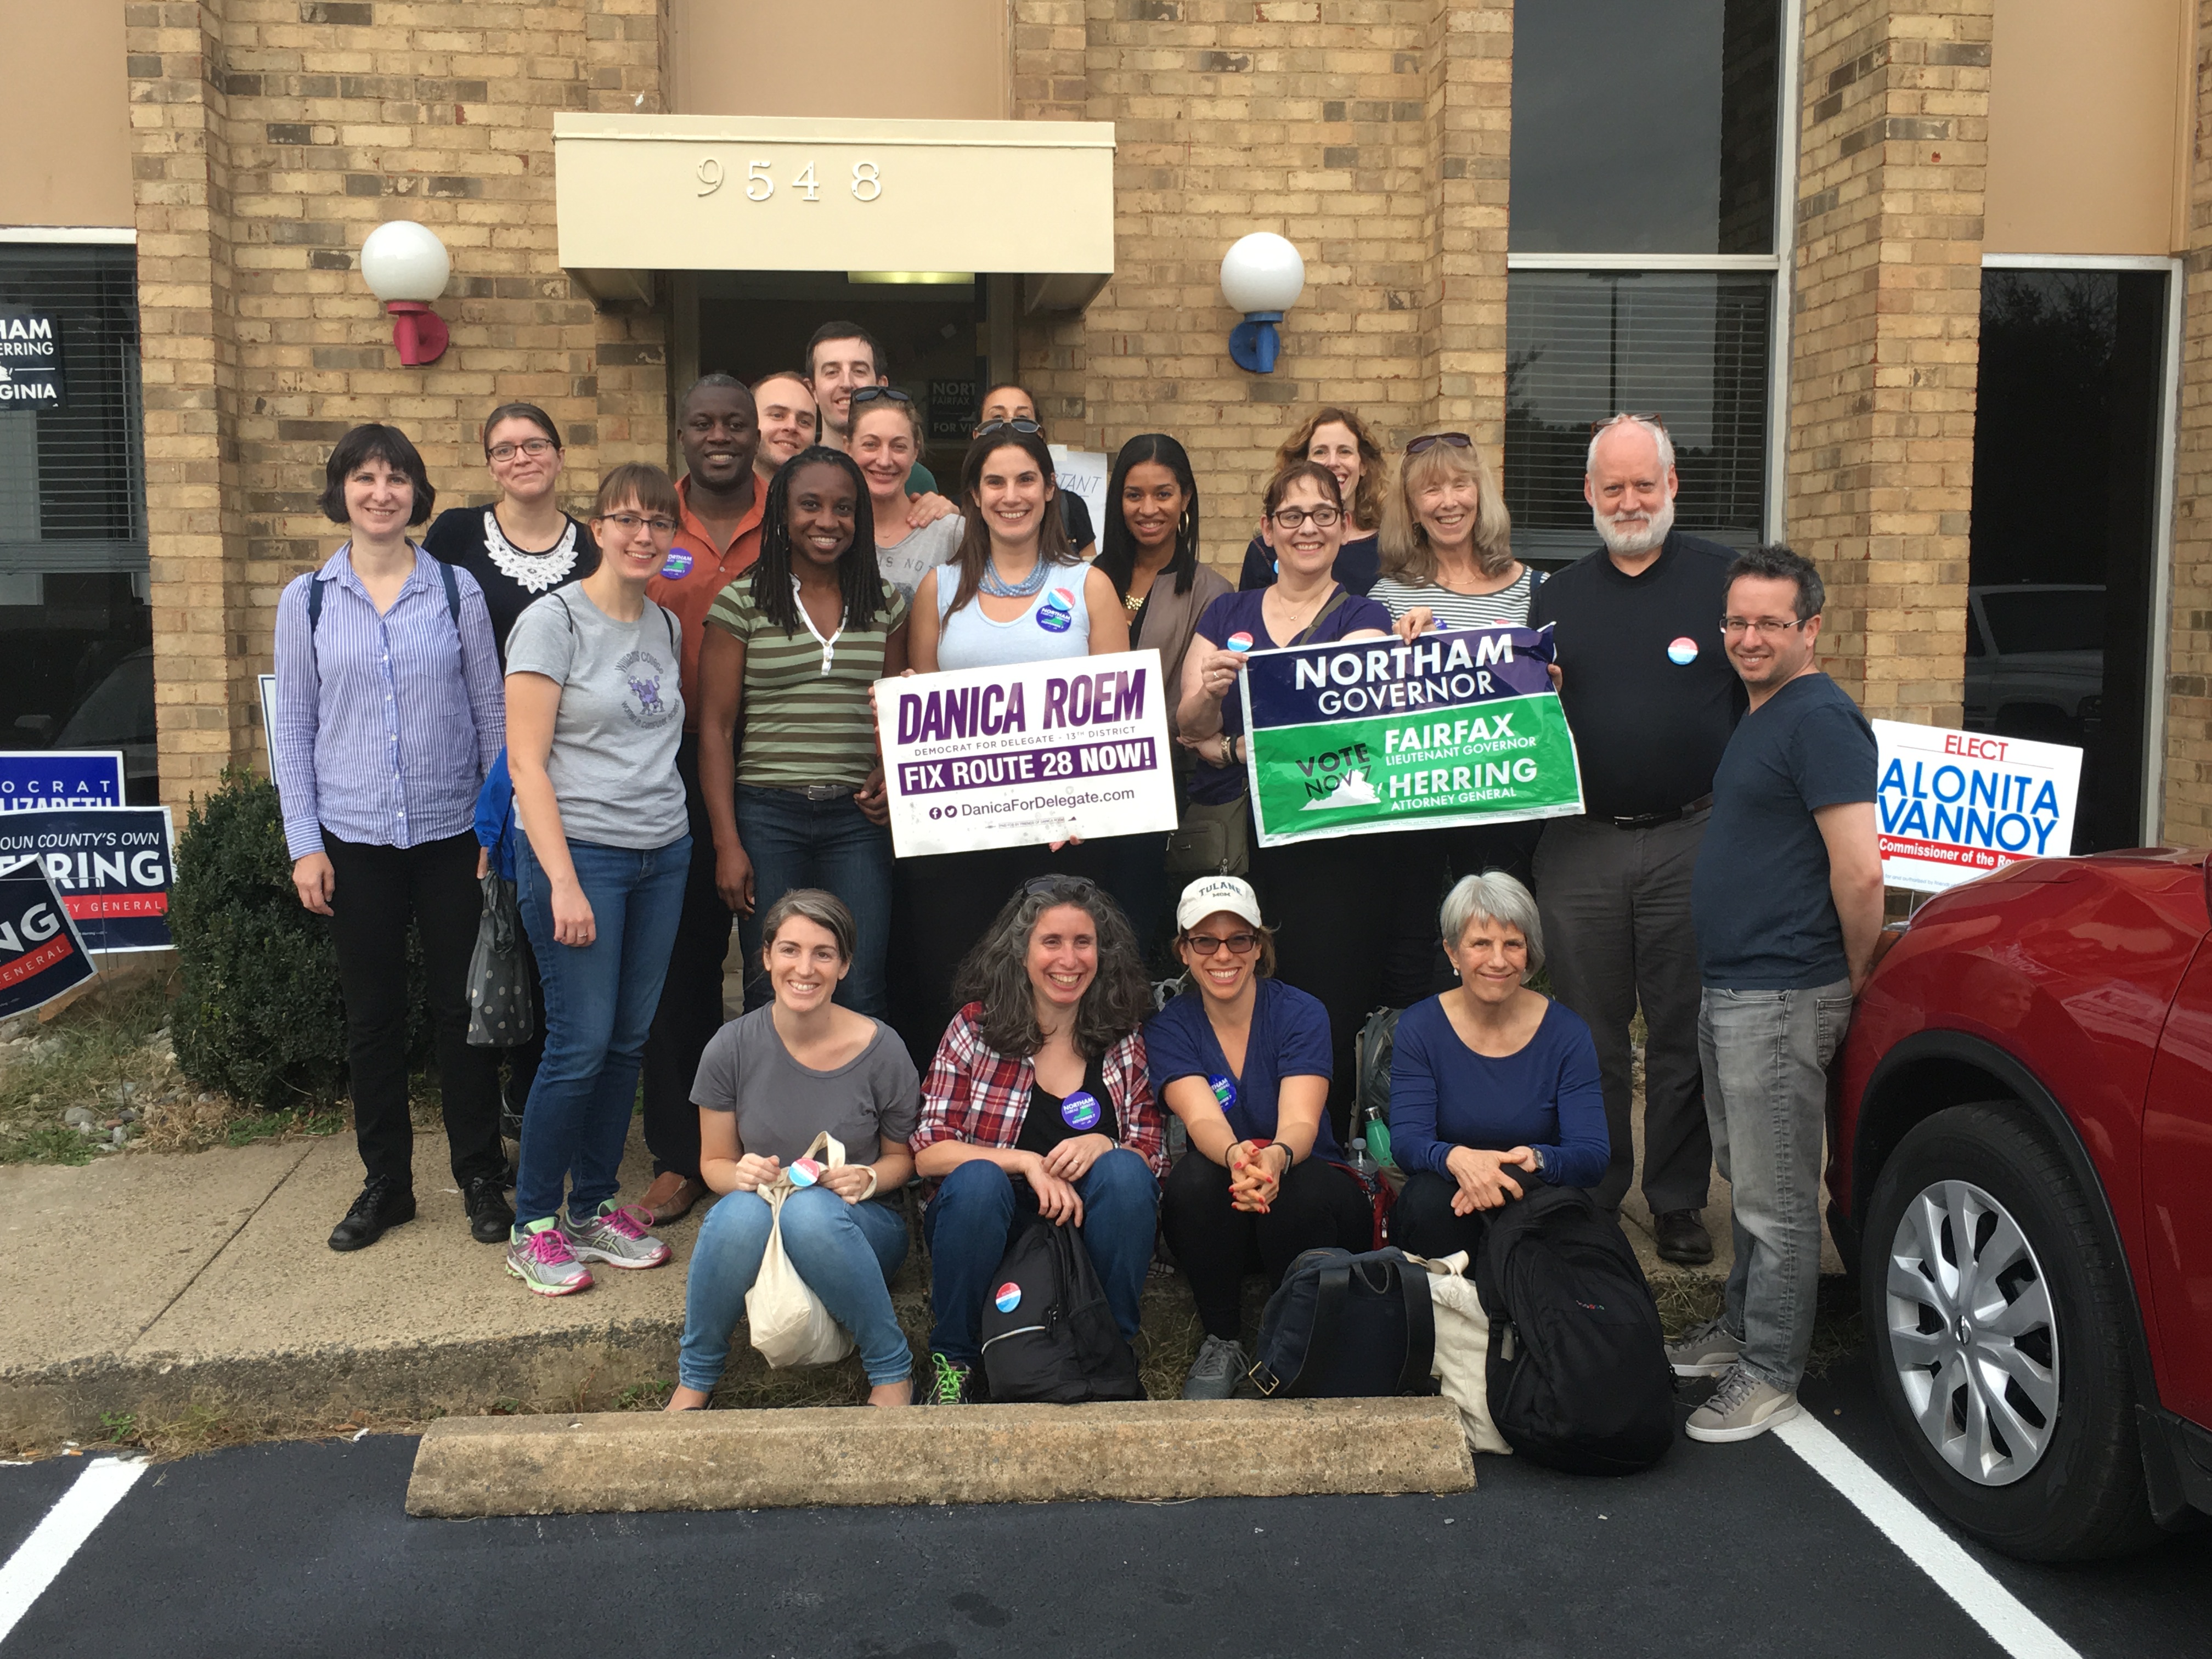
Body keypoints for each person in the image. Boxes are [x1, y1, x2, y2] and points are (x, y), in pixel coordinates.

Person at [273, 423, 508, 1251]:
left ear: (418, 493)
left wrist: (495, 827)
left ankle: (481, 1172)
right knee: (373, 1019)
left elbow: (493, 717)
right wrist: (306, 843)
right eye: (365, 478)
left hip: (452, 836)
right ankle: (388, 1184)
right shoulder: (306, 600)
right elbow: (292, 728)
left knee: (461, 1012)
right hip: (355, 840)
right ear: (340, 492)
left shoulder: (455, 593)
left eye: (397, 478)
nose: (381, 492)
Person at [1673, 545, 1881, 1444]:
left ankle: (1769, 1372)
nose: (1749, 637)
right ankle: (1738, 1329)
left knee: (1778, 1197)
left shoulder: (1821, 719)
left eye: (1769, 622)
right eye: (1738, 620)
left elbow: (1861, 870)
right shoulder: (1763, 711)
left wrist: (1852, 975)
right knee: (1744, 1177)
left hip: (1783, 990)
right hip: (1734, 986)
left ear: (1810, 628)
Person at [1528, 414, 1747, 1265]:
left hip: (1693, 835)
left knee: (1682, 1027)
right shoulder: (1556, 596)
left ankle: (1678, 1199)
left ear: (1672, 486)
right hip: (1580, 840)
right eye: (1611, 487)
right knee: (1589, 1032)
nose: (1629, 501)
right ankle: (1595, 1186)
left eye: (1643, 485)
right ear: (1588, 494)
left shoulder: (1725, 582)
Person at [500, 463, 692, 1296]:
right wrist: (564, 882)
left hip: (663, 852)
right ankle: (534, 1223)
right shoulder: (554, 623)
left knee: (626, 1041)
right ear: (598, 528)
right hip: (583, 855)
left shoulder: (665, 626)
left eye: (659, 522)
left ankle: (593, 1205)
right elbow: (525, 763)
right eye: (627, 519)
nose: (643, 535)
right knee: (578, 1044)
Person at [1177, 461, 1401, 1137]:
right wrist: (1211, 694)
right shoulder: (1227, 611)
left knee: (1323, 999)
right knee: (1229, 989)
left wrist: (1238, 747)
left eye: (1323, 515)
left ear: (1344, 527)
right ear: (1267, 530)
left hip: (1326, 847)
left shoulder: (1366, 615)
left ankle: (1318, 1152)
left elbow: (1342, 729)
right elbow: (1190, 730)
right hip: (1235, 846)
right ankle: (1230, 1146)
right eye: (1292, 516)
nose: (1308, 528)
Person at [892, 430, 1132, 1058]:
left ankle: (1056, 1123)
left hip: (1064, 833)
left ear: (1050, 489)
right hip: (958, 835)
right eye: (995, 482)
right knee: (956, 974)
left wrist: (1093, 807)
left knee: (1062, 982)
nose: (1012, 496)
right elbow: (924, 710)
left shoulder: (1089, 586)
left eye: (1026, 480)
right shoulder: (938, 590)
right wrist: (896, 709)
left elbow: (1119, 712)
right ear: (974, 496)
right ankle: (956, 1122)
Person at [911, 877, 1167, 1406]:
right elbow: (929, 1149)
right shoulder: (976, 1028)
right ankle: (953, 1362)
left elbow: (1153, 1155)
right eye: (1051, 942)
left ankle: (1106, 1351)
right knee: (978, 1180)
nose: (1068, 960)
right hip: (989, 1224)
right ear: (1021, 950)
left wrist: (1108, 1146)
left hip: (1080, 1228)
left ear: (1103, 952)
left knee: (1125, 1175)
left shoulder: (1122, 1035)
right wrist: (1024, 1161)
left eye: (1083, 942)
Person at [668, 890, 919, 1411]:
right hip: (764, 1217)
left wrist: (868, 1178)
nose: (805, 968)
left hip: (859, 1225)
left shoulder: (884, 1048)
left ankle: (892, 1370)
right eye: (789, 950)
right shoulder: (729, 1046)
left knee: (808, 1212)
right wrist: (739, 1173)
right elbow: (712, 1164)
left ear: (845, 965)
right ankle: (695, 1379)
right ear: (766, 956)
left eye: (823, 953)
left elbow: (905, 1159)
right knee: (736, 1212)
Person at [696, 446, 907, 1018]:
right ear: (783, 515)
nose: (827, 521)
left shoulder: (885, 603)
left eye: (843, 508)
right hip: (767, 816)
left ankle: (861, 1111)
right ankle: (774, 1111)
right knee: (772, 987)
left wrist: (888, 771)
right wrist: (727, 844)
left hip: (856, 821)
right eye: (810, 505)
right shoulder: (742, 601)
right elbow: (715, 729)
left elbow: (898, 714)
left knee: (861, 982)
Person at [1148, 875, 1371, 1398]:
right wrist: (1237, 1158)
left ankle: (1294, 1341)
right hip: (1226, 1212)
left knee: (1301, 1184)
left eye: (1238, 939)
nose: (1222, 954)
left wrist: (1273, 1158)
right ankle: (1222, 1340)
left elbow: (1301, 1123)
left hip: (1309, 1206)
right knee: (1195, 1181)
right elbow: (1201, 1119)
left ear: (1259, 946)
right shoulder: (1169, 1026)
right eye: (1205, 940)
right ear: (1184, 949)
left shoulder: (1301, 1011)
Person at [635, 375, 765, 1227]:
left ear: (756, 434)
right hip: (667, 759)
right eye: (702, 423)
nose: (719, 435)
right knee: (678, 967)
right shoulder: (650, 521)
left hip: (776, 755)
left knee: (775, 960)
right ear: (681, 434)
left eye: (734, 423)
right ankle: (682, 1156)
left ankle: (767, 1144)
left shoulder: (789, 510)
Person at [1387, 872, 1608, 1261]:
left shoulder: (1568, 1033)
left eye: (1513, 944)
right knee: (1428, 1203)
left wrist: (1535, 1160)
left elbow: (1591, 1155)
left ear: (1530, 953)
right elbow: (1408, 1141)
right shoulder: (1420, 1027)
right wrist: (1459, 1159)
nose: (1498, 960)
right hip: (1449, 1191)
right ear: (1453, 952)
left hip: (1536, 1190)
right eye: (1481, 944)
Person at [1090, 432, 1230, 954]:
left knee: (1130, 936)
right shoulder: (1084, 578)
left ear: (1186, 498)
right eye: (1134, 495)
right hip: (1071, 792)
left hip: (1152, 795)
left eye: (1163, 494)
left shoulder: (1212, 592)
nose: (1148, 509)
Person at [422, 403, 599, 658]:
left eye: (535, 445)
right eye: (504, 451)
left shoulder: (594, 546)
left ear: (560, 458)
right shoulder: (456, 533)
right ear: (491, 468)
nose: (522, 459)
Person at [1237, 408, 1386, 594]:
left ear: (1363, 465)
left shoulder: (1390, 547)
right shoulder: (1267, 550)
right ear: (1302, 463)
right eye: (1320, 452)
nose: (1333, 462)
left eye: (1345, 451)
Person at [850, 387, 964, 599]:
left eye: (899, 447)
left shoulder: (951, 534)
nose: (884, 460)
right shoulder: (832, 530)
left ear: (915, 452)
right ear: (848, 448)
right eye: (870, 445)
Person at [806, 321, 936, 492]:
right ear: (812, 390)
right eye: (832, 372)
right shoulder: (794, 469)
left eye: (859, 371)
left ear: (881, 385)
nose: (846, 384)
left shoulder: (916, 478)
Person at [974, 383, 1095, 559]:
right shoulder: (954, 514)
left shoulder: (1071, 507)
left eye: (1022, 419)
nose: (1009, 428)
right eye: (997, 418)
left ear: (1039, 434)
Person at [751, 370, 819, 488]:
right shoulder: (716, 502)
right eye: (777, 415)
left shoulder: (830, 503)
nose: (792, 426)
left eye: (804, 422)